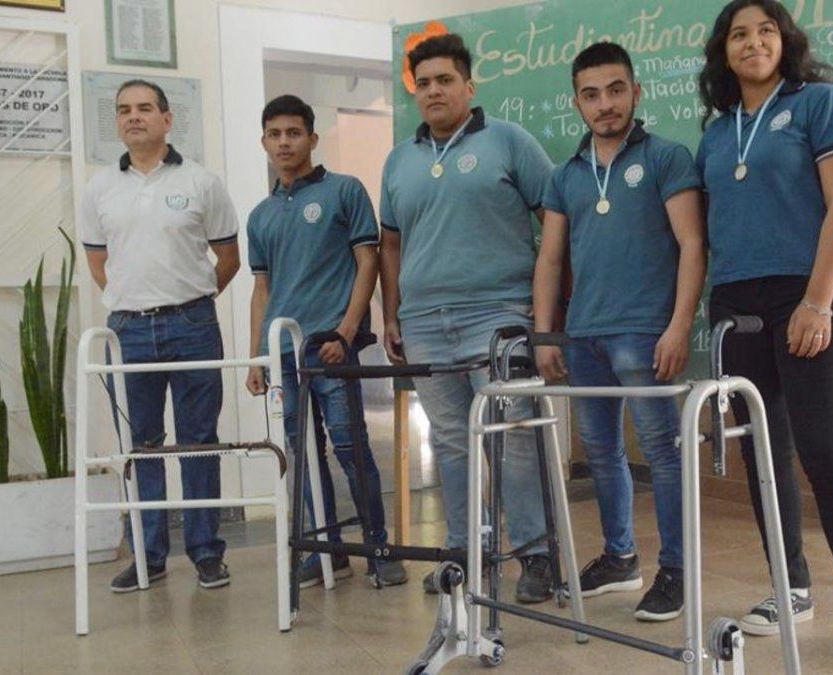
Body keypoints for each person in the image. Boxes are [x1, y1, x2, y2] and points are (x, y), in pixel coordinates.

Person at [695, 1, 833, 671]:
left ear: (784, 41)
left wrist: (818, 300)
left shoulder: (818, 103)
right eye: (738, 34)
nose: (753, 42)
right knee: (764, 451)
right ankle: (790, 586)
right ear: (724, 52)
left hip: (807, 294)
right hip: (736, 304)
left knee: (829, 450)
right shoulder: (715, 133)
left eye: (765, 30)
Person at [378, 34, 555, 603]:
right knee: (451, 443)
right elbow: (389, 245)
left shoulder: (509, 141)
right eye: (424, 83)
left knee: (514, 438)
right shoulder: (399, 160)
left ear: (469, 86)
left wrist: (547, 307)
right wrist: (391, 314)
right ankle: (465, 553)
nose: (434, 91)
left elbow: (556, 219)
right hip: (424, 323)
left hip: (498, 317)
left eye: (445, 80)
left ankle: (536, 555)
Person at [533, 42, 705, 622]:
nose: (604, 104)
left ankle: (677, 570)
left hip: (645, 332)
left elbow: (692, 244)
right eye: (591, 94)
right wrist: (546, 334)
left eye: (615, 90)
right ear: (576, 103)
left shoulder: (666, 157)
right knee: (601, 452)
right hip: (584, 336)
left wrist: (679, 325)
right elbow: (550, 259)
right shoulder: (565, 175)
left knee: (661, 452)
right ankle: (620, 557)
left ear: (636, 92)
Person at [80, 79, 238, 593]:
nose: (133, 116)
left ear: (167, 120)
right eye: (124, 109)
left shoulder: (202, 182)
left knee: (198, 442)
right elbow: (99, 263)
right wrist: (134, 300)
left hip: (193, 326)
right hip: (128, 330)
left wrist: (188, 301)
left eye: (145, 108)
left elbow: (229, 258)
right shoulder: (100, 188)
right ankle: (147, 556)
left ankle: (206, 552)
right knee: (141, 445)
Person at [244, 94, 407, 588]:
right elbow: (262, 290)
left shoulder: (344, 191)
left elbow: (367, 263)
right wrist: (257, 357)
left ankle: (379, 548)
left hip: (332, 347)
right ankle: (327, 552)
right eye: (274, 134)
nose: (284, 142)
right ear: (264, 142)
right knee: (303, 453)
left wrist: (345, 332)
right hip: (284, 355)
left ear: (312, 138)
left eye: (294, 133)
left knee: (351, 446)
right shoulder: (261, 215)